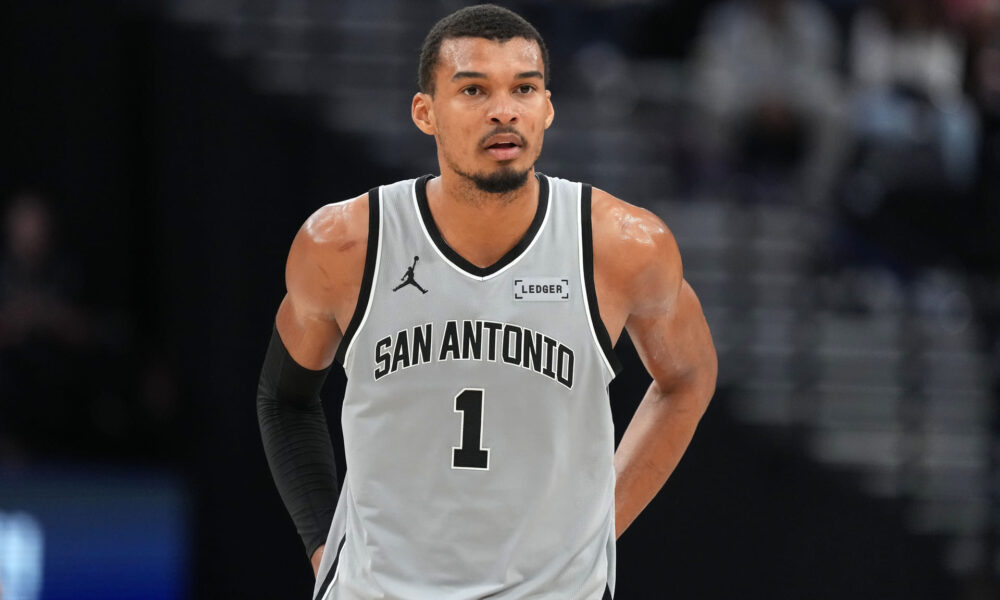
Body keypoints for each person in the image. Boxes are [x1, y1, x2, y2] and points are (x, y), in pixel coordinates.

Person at [257, 5, 717, 599]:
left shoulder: (625, 245)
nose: (504, 110)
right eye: (474, 89)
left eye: (523, 88)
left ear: (547, 108)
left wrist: (602, 521)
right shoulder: (343, 244)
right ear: (425, 112)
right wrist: (324, 547)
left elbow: (688, 378)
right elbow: (284, 399)